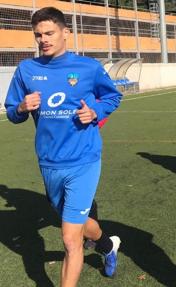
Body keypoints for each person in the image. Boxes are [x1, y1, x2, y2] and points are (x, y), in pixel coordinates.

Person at [4, 6, 122, 286]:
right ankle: (107, 246)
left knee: (70, 238)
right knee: (78, 226)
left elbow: (112, 98)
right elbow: (11, 112)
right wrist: (21, 107)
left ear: (65, 32)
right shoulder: (27, 70)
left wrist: (94, 112)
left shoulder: (88, 68)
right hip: (49, 162)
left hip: (84, 160)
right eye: (38, 35)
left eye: (49, 33)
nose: (43, 39)